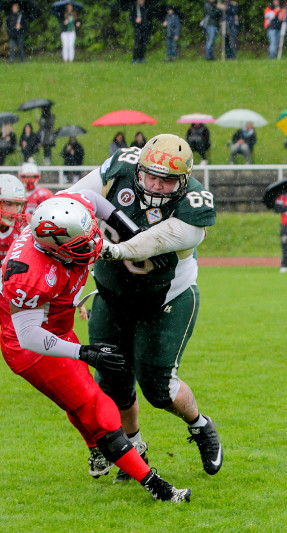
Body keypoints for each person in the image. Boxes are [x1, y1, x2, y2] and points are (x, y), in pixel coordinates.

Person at [0, 192, 191, 502]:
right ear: (54, 247)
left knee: (77, 400)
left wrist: (132, 232)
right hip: (31, 348)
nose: (93, 245)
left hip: (57, 327)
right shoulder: (28, 274)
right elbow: (28, 335)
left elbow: (93, 199)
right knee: (96, 406)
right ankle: (158, 488)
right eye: (82, 243)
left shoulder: (66, 213)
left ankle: (97, 451)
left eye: (91, 235)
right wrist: (84, 352)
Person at [66, 134, 222, 480]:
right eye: (150, 175)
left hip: (165, 298)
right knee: (112, 380)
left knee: (157, 387)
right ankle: (134, 446)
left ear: (183, 180)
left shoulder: (194, 206)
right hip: (112, 295)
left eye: (166, 180)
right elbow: (74, 199)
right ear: (139, 167)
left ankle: (200, 425)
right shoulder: (120, 166)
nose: (155, 184)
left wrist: (112, 250)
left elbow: (146, 244)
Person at [130, 0, 151, 64]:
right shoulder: (135, 7)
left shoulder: (147, 7)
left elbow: (149, 17)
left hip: (145, 28)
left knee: (144, 44)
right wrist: (135, 20)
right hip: (137, 28)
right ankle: (135, 59)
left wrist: (147, 24)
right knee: (137, 44)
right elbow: (131, 17)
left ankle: (142, 58)